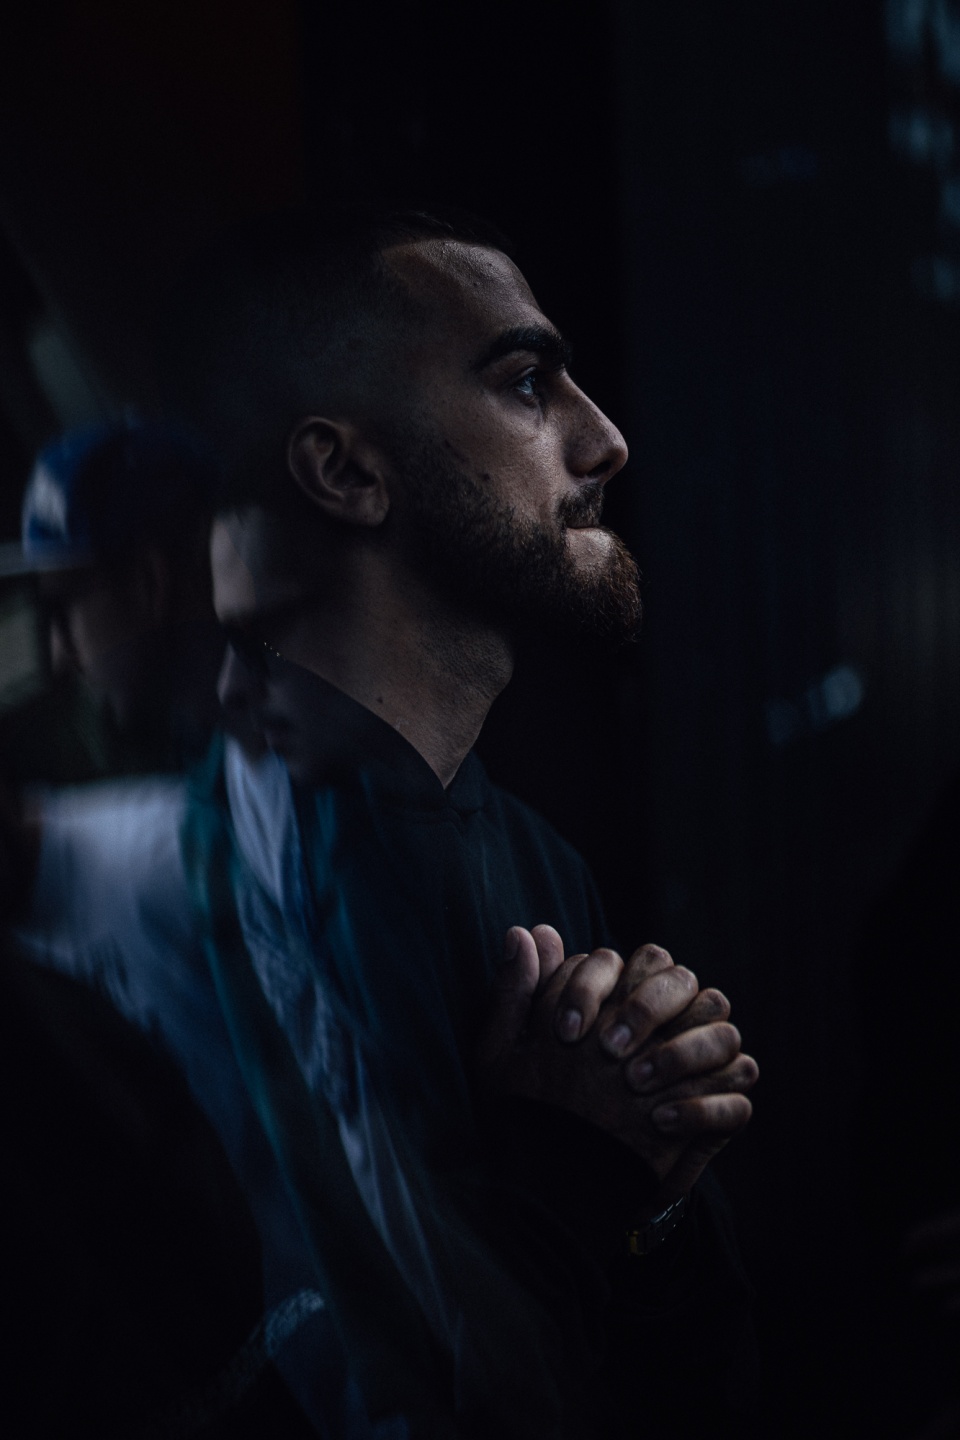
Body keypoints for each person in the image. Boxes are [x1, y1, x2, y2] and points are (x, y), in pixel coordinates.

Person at [157, 205, 761, 1437]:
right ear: (348, 472)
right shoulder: (209, 890)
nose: (606, 439)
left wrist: (657, 1175)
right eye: (527, 381)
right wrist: (573, 1165)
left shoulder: (540, 861)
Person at [0, 418, 230, 781]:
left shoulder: (306, 767)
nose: (59, 654)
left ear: (149, 583)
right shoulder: (213, 761)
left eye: (63, 610)